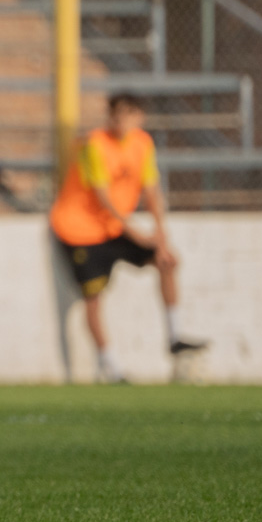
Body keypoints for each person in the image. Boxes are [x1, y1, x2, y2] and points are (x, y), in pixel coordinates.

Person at [50, 94, 207, 383]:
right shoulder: (93, 144)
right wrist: (137, 233)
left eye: (129, 115)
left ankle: (174, 336)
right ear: (109, 116)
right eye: (117, 115)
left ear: (140, 118)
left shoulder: (142, 144)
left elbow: (151, 190)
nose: (122, 121)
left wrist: (160, 234)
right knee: (94, 299)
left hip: (114, 228)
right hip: (81, 230)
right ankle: (110, 368)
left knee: (168, 261)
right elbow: (103, 197)